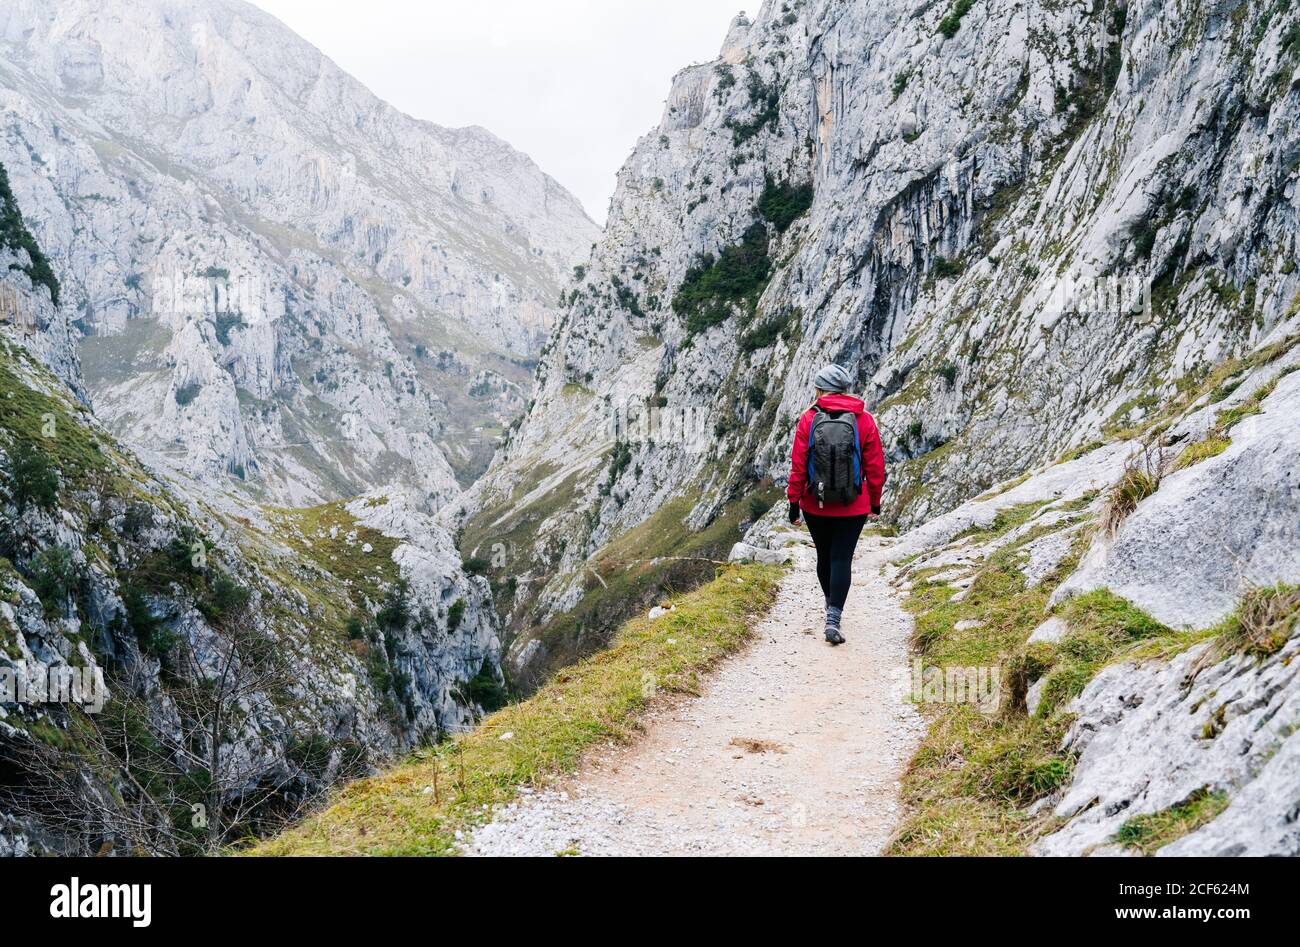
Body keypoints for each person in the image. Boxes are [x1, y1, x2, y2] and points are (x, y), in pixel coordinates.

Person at [786, 364, 886, 644]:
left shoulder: (808, 419)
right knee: (842, 558)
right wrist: (874, 502)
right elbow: (875, 467)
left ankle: (829, 602)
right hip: (853, 504)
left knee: (824, 555)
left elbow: (798, 466)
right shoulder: (864, 419)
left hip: (814, 503)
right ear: (845, 390)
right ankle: (834, 616)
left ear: (820, 390)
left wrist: (794, 502)